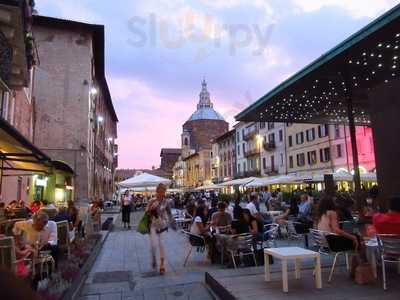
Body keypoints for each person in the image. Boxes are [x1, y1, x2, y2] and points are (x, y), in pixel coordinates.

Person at [146, 183, 176, 275]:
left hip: (162, 226)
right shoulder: (152, 201)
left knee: (162, 245)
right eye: (160, 191)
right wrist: (151, 208)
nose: (162, 193)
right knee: (154, 245)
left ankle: (162, 265)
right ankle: (154, 258)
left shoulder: (166, 202)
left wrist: (172, 222)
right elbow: (146, 212)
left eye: (163, 191)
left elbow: (170, 213)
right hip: (153, 226)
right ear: (157, 191)